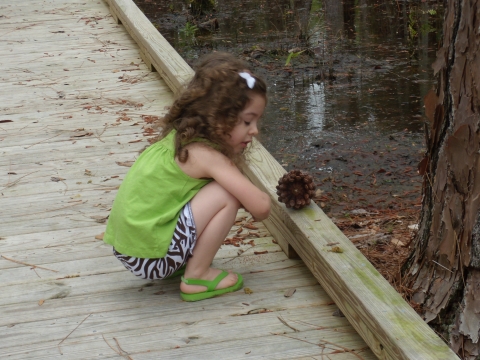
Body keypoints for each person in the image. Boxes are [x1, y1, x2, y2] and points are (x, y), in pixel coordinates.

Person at [103, 52, 271, 302]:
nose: (254, 130)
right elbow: (261, 208)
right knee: (226, 194)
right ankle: (197, 276)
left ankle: (187, 263)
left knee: (221, 188)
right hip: (150, 259)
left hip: (132, 250)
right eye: (247, 121)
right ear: (218, 118)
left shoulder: (181, 137)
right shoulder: (205, 154)